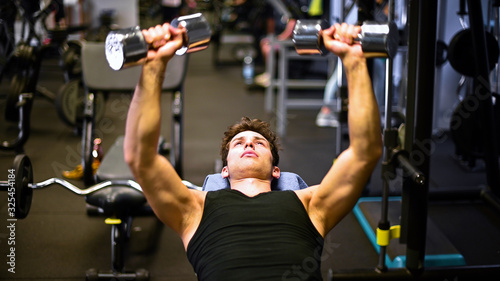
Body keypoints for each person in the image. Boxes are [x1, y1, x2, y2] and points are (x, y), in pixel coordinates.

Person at [124, 22, 382, 280]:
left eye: (259, 143)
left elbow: (365, 153)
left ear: (276, 170)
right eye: (239, 143)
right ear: (224, 170)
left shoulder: (310, 204)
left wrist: (354, 60)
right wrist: (154, 64)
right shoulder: (194, 208)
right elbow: (140, 157)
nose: (248, 144)